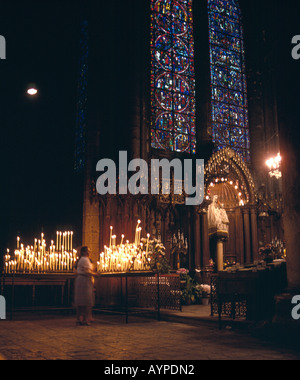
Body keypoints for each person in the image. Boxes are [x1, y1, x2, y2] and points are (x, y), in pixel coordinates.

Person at [74, 246, 97, 326]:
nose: (89, 253)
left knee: (83, 300)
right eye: (88, 251)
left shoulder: (85, 259)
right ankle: (84, 319)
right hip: (84, 281)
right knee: (85, 300)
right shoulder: (84, 259)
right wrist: (96, 275)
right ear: (83, 252)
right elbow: (87, 271)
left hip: (84, 280)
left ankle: (81, 318)